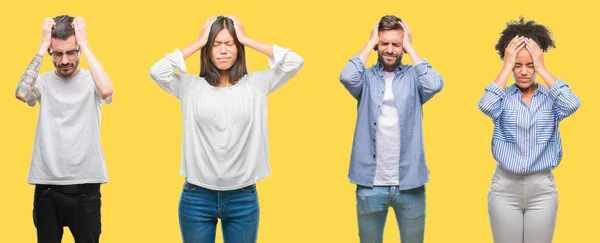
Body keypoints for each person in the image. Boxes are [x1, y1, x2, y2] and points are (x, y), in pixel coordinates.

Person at [149, 16, 303, 243]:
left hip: (243, 197)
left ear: (238, 49)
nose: (223, 50)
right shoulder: (190, 87)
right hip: (196, 197)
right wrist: (199, 42)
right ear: (207, 50)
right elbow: (156, 71)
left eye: (230, 44)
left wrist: (247, 39)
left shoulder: (256, 85)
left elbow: (295, 62)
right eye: (216, 44)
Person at [339, 15, 444, 243]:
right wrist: (368, 43)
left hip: (410, 183)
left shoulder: (415, 78)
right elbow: (346, 76)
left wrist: (410, 47)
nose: (389, 50)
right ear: (378, 44)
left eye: (396, 44)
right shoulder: (365, 78)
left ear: (402, 47)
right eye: (384, 43)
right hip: (370, 184)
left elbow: (435, 83)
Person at [478, 17, 581, 243]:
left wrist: (542, 68)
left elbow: (572, 103)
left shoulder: (551, 98)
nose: (523, 72)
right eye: (518, 65)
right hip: (505, 187)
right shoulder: (502, 99)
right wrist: (506, 64)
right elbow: (485, 105)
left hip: (542, 188)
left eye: (530, 65)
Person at [14, 15, 114, 243]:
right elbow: (21, 93)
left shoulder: (92, 81)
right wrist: (42, 46)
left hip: (86, 188)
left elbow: (107, 91)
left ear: (78, 49)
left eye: (71, 52)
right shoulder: (43, 81)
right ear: (51, 51)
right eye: (57, 53)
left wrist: (85, 44)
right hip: (47, 189)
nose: (64, 60)